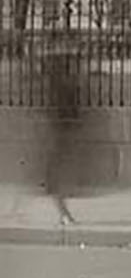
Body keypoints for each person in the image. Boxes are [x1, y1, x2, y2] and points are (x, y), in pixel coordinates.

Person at [41, 37, 84, 225]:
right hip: (62, 132)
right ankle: (64, 213)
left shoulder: (57, 84)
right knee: (57, 174)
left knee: (56, 175)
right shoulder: (66, 84)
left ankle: (64, 213)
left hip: (59, 132)